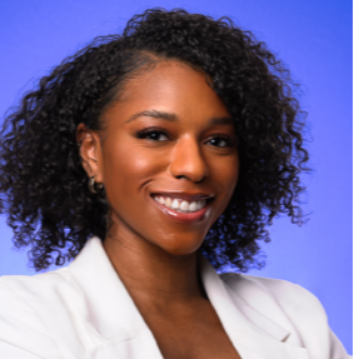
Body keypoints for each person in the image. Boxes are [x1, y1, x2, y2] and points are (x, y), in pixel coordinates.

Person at [0, 8, 350, 359]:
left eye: (218, 141)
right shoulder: (18, 316)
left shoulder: (294, 313)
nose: (194, 167)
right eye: (155, 134)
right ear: (92, 152)